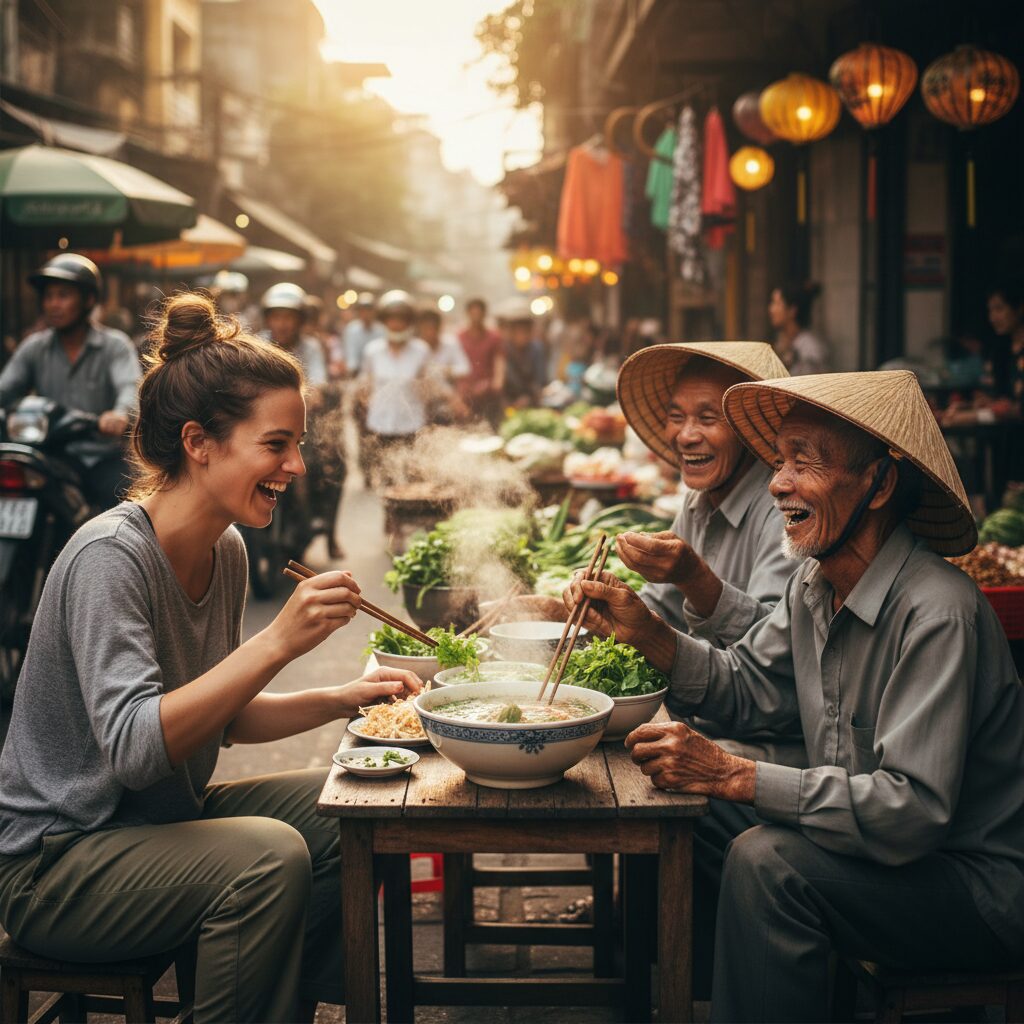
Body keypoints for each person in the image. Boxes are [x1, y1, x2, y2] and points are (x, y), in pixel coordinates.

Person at [0, 292, 422, 1023]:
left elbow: (215, 719)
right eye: (276, 443)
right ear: (199, 442)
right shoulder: (111, 558)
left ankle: (277, 1004)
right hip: (58, 864)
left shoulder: (225, 547)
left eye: (295, 444)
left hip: (154, 828)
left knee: (351, 810)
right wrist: (275, 642)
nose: (294, 465)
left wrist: (344, 700)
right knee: (268, 857)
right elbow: (137, 749)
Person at [564, 369, 1024, 1021]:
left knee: (767, 862)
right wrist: (647, 634)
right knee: (672, 791)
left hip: (969, 887)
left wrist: (737, 774)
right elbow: (747, 687)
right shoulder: (814, 587)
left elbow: (911, 811)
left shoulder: (937, 613)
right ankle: (683, 996)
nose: (778, 483)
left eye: (803, 462)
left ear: (880, 483)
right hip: (874, 850)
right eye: (780, 461)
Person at [525, 341, 800, 763]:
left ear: (749, 429)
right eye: (676, 416)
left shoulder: (785, 509)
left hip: (761, 740)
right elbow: (659, 608)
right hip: (695, 714)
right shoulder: (699, 498)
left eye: (708, 418)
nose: (685, 435)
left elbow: (771, 664)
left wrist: (696, 580)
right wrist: (586, 611)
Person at [0, 254, 142, 509]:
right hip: (51, 458)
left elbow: (129, 389)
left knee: (127, 510)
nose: (53, 304)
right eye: (48, 296)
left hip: (102, 457)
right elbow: (6, 389)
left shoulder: (115, 346)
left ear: (88, 300)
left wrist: (119, 415)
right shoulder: (34, 347)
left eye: (63, 295)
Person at [261, 283, 343, 558]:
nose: (281, 323)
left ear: (299, 321)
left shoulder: (310, 348)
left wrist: (309, 396)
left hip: (299, 426)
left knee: (325, 468)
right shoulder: (257, 344)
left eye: (288, 317)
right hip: (258, 425)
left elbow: (318, 385)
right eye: (276, 316)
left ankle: (317, 523)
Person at [359, 290, 431, 484]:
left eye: (402, 319)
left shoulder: (421, 350)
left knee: (412, 478)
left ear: (409, 323)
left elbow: (426, 387)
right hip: (381, 424)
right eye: (392, 319)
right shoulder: (373, 351)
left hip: (411, 424)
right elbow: (365, 384)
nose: (397, 324)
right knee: (386, 480)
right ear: (384, 321)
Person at [457, 297, 505, 426]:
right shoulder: (459, 337)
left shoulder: (494, 336)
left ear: (484, 314)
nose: (476, 316)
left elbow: (499, 360)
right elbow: (456, 363)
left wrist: (496, 381)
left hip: (488, 391)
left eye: (479, 313)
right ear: (468, 314)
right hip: (467, 393)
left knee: (491, 426)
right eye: (473, 313)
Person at [417, 307, 470, 424]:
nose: (429, 332)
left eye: (433, 328)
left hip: (445, 406)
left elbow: (465, 368)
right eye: (426, 328)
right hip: (419, 404)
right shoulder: (415, 348)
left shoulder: (450, 343)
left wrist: (447, 370)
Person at [768, 280, 828, 375]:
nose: (771, 309)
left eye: (777, 303)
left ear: (792, 310)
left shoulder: (810, 350)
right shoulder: (782, 342)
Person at [985, 277, 1024, 415]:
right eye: (990, 310)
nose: (993, 318)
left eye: (999, 309)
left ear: (1019, 308)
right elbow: (998, 398)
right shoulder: (1000, 350)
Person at [501, 302, 547, 408]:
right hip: (510, 403)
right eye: (517, 329)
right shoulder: (504, 349)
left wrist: (530, 397)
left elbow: (541, 378)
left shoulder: (537, 348)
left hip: (533, 401)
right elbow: (504, 379)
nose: (521, 334)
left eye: (524, 329)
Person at [342, 292, 383, 377]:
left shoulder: (381, 330)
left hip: (378, 373)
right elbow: (351, 355)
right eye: (362, 311)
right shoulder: (352, 329)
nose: (366, 314)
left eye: (369, 310)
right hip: (357, 373)